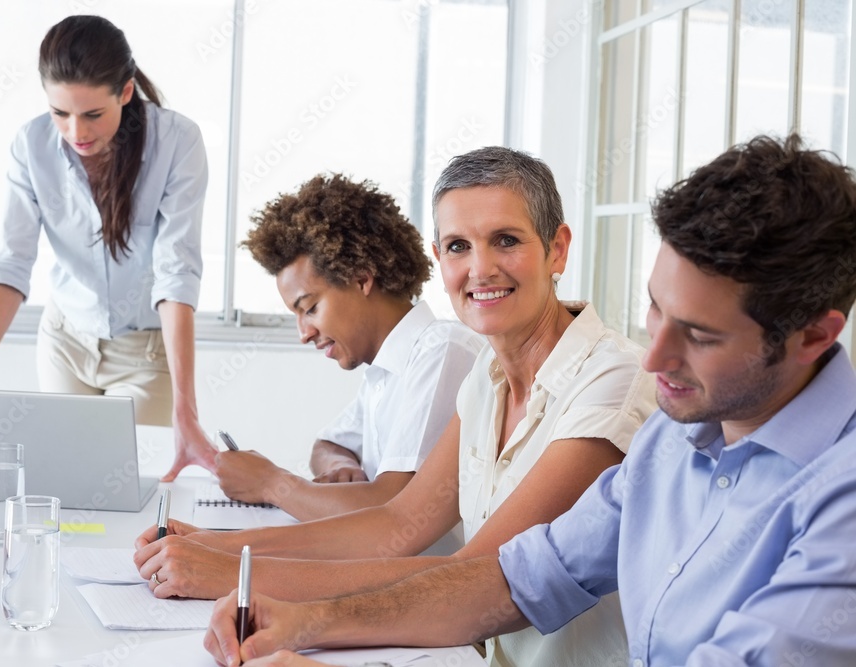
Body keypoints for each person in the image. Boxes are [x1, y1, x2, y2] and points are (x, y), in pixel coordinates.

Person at [204, 134, 856, 667]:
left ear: (814, 335)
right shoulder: (677, 433)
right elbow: (516, 578)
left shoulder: (839, 501)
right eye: (655, 310)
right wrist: (309, 620)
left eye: (701, 334)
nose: (654, 358)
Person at [134, 147, 657, 667]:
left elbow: (482, 576)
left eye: (506, 240)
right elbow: (395, 523)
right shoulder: (487, 376)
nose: (480, 269)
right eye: (458, 246)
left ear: (557, 250)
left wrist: (241, 575)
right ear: (439, 259)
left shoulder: (612, 381)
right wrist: (224, 549)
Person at [0, 15, 214, 480]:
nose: (76, 132)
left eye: (92, 114)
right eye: (60, 113)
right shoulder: (31, 146)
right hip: (66, 341)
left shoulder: (177, 142)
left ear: (125, 91)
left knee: (130, 488)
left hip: (144, 353)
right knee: (66, 486)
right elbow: (9, 266)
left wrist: (186, 411)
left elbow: (176, 273)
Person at [214, 173, 483, 520]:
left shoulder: (442, 352)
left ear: (361, 279)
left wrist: (270, 483)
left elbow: (393, 508)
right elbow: (328, 445)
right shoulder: (383, 372)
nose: (304, 333)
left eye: (310, 308)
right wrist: (341, 465)